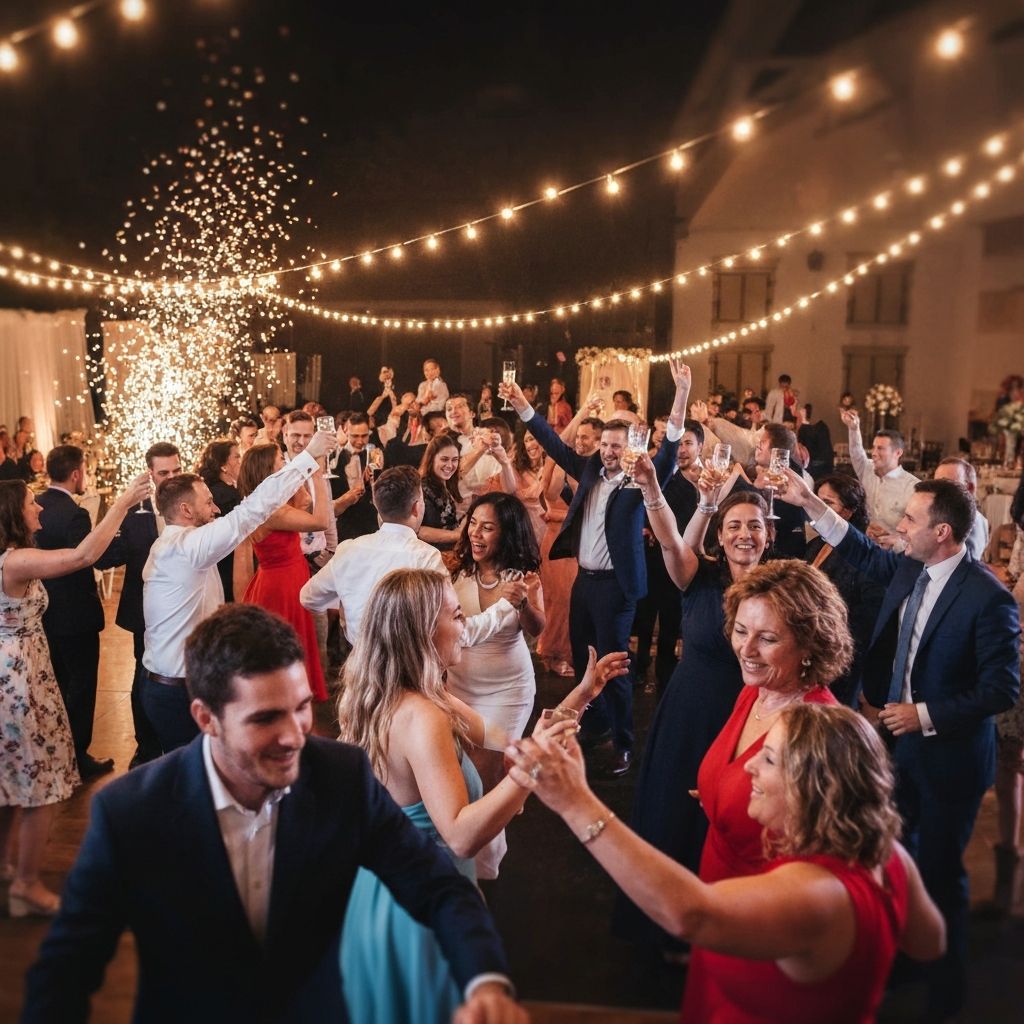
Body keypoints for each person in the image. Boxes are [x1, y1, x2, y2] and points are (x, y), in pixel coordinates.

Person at [22, 603, 526, 1023]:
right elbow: (67, 969)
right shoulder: (130, 812)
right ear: (206, 718)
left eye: (301, 707)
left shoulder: (340, 776)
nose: (294, 736)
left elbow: (438, 886)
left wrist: (485, 980)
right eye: (265, 718)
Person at [506, 703, 945, 1024]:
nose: (751, 765)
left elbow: (689, 913)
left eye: (770, 759)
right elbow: (930, 942)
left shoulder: (817, 893)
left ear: (815, 786)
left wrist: (575, 801)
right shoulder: (886, 856)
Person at [779, 471, 1021, 1017]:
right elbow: (861, 550)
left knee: (938, 872)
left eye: (911, 519)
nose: (899, 525)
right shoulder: (911, 567)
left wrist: (925, 714)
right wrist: (810, 502)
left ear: (942, 533)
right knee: (896, 861)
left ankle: (946, 993)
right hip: (898, 750)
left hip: (952, 759)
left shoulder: (988, 598)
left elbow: (1001, 688)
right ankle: (908, 959)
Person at [336, 568, 622, 1023]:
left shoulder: (426, 697)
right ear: (425, 630)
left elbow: (510, 741)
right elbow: (460, 836)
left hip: (390, 891)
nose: (465, 624)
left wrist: (581, 696)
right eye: (456, 614)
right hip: (422, 908)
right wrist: (528, 774)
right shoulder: (423, 717)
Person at [500, 364, 690, 776]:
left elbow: (672, 449)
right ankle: (596, 722)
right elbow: (552, 442)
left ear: (630, 448)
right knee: (585, 659)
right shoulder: (589, 469)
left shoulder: (641, 478)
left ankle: (624, 741)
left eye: (616, 445)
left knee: (613, 664)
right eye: (604, 444)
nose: (608, 450)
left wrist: (682, 394)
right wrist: (522, 407)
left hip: (617, 588)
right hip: (584, 583)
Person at [617, 469, 770, 951]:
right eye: (735, 526)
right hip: (691, 715)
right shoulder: (697, 576)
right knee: (676, 817)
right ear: (720, 537)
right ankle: (671, 924)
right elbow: (667, 539)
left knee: (737, 822)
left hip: (754, 719)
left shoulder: (782, 586)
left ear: (769, 534)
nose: (745, 534)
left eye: (755, 525)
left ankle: (728, 923)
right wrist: (654, 490)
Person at [0, 472, 148, 917]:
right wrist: (121, 504)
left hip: (15, 672)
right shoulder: (15, 562)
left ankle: (7, 867)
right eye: (31, 502)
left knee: (11, 781)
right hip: (21, 682)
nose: (39, 508)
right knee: (41, 784)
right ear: (13, 512)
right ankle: (25, 884)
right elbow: (84, 555)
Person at [141, 429, 337, 754]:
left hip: (176, 683)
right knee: (198, 779)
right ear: (187, 511)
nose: (216, 508)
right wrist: (307, 458)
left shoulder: (175, 546)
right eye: (208, 503)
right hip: (176, 691)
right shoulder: (189, 547)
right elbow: (251, 512)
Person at [447, 493, 545, 877]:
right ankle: (463, 848)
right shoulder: (454, 570)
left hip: (508, 689)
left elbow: (538, 631)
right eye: (473, 523)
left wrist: (523, 605)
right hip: (459, 685)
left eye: (487, 527)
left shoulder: (523, 577)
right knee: (462, 770)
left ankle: (485, 865)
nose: (476, 533)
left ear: (507, 534)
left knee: (486, 773)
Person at [94, 442, 182, 767]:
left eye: (176, 470)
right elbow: (104, 558)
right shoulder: (134, 511)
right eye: (163, 473)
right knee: (143, 677)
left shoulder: (195, 504)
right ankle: (146, 749)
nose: (171, 478)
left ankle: (181, 748)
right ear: (150, 474)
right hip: (144, 612)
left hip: (184, 609)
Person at [35, 445, 114, 780]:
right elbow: (90, 557)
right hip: (76, 615)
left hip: (45, 613)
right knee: (81, 687)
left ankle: (56, 751)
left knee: (58, 683)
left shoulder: (37, 505)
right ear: (77, 473)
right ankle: (78, 756)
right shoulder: (74, 513)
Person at [300, 465, 447, 644]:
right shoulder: (427, 557)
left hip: (359, 661)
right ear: (416, 507)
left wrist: (350, 600)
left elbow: (308, 597)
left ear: (378, 506)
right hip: (409, 664)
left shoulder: (349, 550)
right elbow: (445, 617)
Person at [234, 443, 331, 704]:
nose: (286, 463)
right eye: (280, 460)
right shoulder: (272, 511)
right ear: (268, 469)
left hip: (286, 578)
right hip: (281, 586)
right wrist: (317, 475)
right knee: (286, 653)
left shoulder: (269, 502)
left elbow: (306, 500)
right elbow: (321, 520)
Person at [632, 420, 704, 691]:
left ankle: (665, 675)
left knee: (672, 620)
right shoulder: (663, 476)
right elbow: (645, 505)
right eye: (678, 443)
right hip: (654, 558)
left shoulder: (707, 481)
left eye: (688, 443)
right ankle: (639, 669)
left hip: (684, 561)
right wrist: (645, 527)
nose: (682, 450)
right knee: (646, 614)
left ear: (700, 446)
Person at [804, 474, 886, 707]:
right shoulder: (816, 544)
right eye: (816, 500)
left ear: (848, 512)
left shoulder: (864, 553)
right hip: (810, 650)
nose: (817, 508)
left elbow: (869, 618)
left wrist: (826, 636)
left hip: (841, 656)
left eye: (827, 503)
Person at [840, 409, 919, 548]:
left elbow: (919, 531)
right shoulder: (868, 469)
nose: (874, 453)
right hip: (865, 546)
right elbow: (857, 452)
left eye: (881, 448)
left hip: (895, 556)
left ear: (898, 453)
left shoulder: (913, 487)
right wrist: (853, 428)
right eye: (874, 447)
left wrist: (896, 541)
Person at [196, 438, 242, 601]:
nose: (240, 461)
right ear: (223, 466)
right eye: (237, 457)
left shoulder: (211, 490)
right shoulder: (227, 496)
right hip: (227, 565)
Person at [331, 412, 379, 542]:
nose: (360, 441)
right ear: (346, 431)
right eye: (355, 436)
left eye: (364, 436)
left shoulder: (374, 454)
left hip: (369, 523)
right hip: (343, 523)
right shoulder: (333, 457)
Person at [934, 456, 989, 559]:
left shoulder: (971, 522)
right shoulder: (948, 516)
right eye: (935, 485)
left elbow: (960, 566)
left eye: (947, 485)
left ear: (969, 488)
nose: (937, 492)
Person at [418, 433, 463, 551]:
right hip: (430, 556)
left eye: (455, 460)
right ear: (432, 458)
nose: (450, 465)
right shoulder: (421, 488)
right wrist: (459, 535)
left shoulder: (446, 482)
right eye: (444, 459)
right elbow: (418, 530)